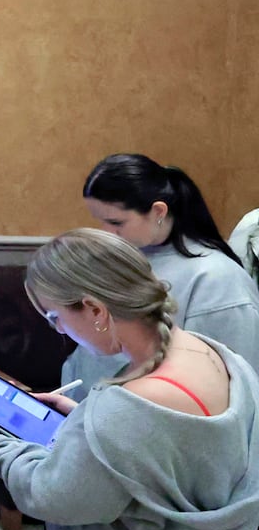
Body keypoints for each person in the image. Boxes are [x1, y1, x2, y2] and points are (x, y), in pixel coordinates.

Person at [0, 228, 259, 530]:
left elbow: (50, 497)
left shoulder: (124, 409)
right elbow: (169, 449)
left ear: (94, 309)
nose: (57, 331)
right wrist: (86, 419)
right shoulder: (220, 356)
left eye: (55, 317)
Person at [66, 153, 259, 391]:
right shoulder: (121, 260)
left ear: (158, 212)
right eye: (101, 221)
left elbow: (231, 383)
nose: (106, 233)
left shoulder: (216, 278)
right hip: (92, 411)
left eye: (116, 223)